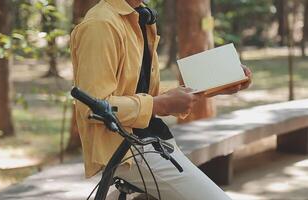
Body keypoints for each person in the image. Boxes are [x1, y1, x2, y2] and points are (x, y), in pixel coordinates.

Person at [70, 0, 252, 199]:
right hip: (126, 152)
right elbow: (93, 107)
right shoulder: (100, 25)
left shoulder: (139, 16)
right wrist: (160, 104)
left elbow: (147, 92)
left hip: (152, 141)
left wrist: (215, 86)